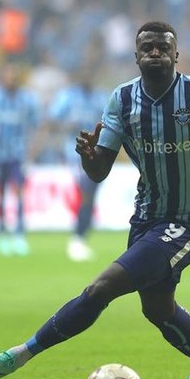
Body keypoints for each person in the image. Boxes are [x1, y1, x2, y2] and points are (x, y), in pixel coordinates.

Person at [0, 21, 190, 379]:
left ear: (176, 55)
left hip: (189, 223)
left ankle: (19, 354)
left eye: (163, 47)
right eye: (148, 48)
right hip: (146, 219)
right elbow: (99, 170)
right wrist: (89, 157)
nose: (155, 52)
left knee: (101, 288)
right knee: (157, 309)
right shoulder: (121, 100)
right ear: (136, 56)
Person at [0, 64, 40, 256]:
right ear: (2, 79)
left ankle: (20, 234)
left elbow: (36, 124)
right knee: (1, 194)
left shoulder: (26, 100)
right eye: (7, 78)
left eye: (13, 78)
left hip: (18, 154)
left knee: (19, 192)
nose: (10, 81)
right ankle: (2, 234)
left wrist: (32, 149)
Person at [48, 70, 109, 261]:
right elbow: (52, 120)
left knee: (91, 194)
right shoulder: (68, 96)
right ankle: (77, 238)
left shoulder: (101, 98)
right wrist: (68, 125)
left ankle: (81, 237)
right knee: (86, 193)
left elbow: (111, 123)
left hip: (97, 152)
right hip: (74, 153)